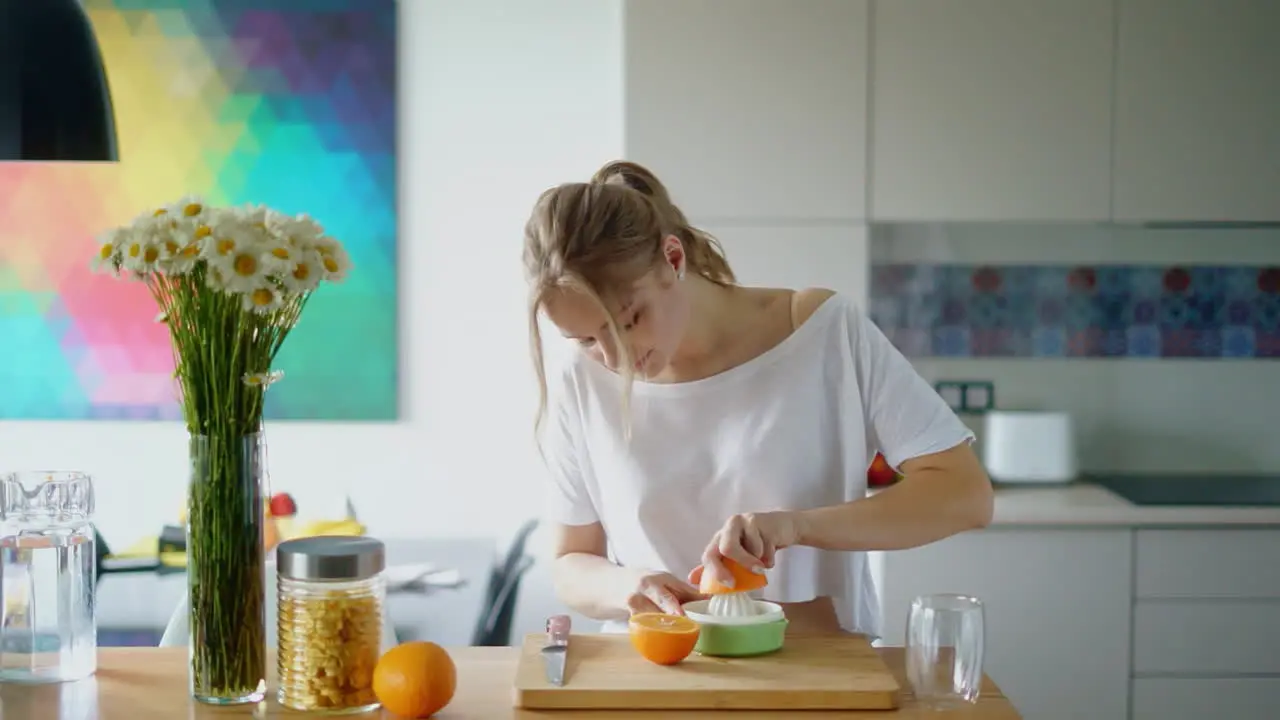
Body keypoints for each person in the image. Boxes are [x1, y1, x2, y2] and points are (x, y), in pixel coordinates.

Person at [522, 160, 993, 638]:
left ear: (674, 258)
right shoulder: (581, 379)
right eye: (584, 339)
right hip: (654, 679)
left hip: (821, 680)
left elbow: (963, 495)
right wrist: (628, 585)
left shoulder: (822, 333)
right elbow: (570, 560)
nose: (612, 357)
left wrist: (797, 527)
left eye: (627, 322)